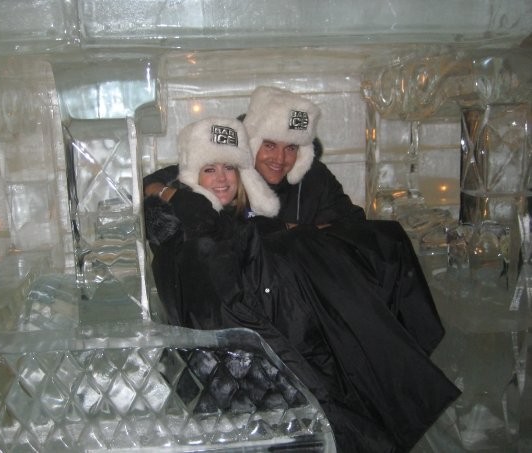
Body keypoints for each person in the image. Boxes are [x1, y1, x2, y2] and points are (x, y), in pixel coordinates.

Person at [144, 117, 461, 453]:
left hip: (296, 335)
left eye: (230, 168)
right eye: (210, 169)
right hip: (264, 380)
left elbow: (342, 223)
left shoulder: (281, 195)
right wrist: (320, 401)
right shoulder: (199, 245)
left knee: (383, 243)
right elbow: (246, 336)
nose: (222, 178)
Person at [144, 85, 365, 228]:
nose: (280, 159)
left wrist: (299, 233)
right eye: (269, 145)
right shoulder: (229, 170)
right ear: (252, 144)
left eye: (291, 148)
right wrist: (170, 195)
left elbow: (353, 224)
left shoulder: (315, 177)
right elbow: (151, 183)